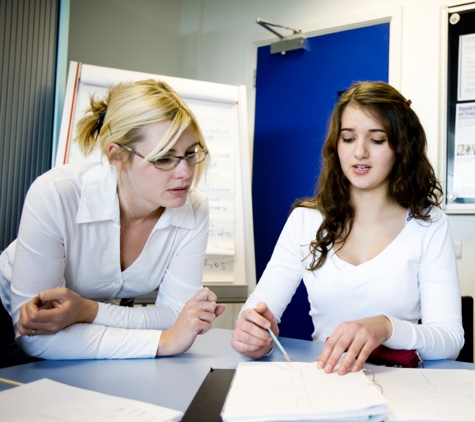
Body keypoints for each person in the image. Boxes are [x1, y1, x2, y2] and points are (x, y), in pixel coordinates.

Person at [232, 81, 464, 375]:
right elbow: (256, 313)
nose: (360, 152)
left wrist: (386, 327)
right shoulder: (305, 220)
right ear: (336, 145)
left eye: (377, 140)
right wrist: (254, 336)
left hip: (404, 384)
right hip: (327, 380)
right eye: (348, 138)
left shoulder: (428, 223)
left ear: (401, 148)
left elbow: (450, 340)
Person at [0, 79, 225, 366]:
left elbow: (175, 314)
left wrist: (88, 311)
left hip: (87, 333)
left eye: (191, 154)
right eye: (164, 158)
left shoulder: (193, 210)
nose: (185, 172)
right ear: (118, 156)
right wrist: (165, 341)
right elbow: (36, 335)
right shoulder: (56, 194)